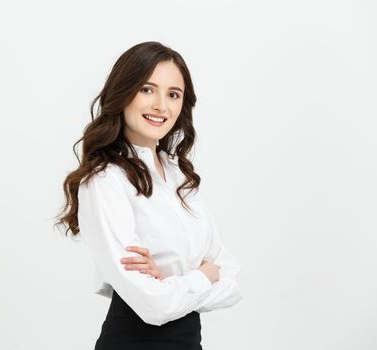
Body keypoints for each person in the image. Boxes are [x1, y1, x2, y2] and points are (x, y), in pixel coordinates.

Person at [54, 41, 242, 349]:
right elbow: (155, 307)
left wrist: (172, 282)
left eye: (173, 94)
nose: (160, 106)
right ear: (123, 92)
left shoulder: (179, 176)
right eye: (146, 89)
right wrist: (202, 275)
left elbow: (230, 276)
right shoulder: (104, 180)